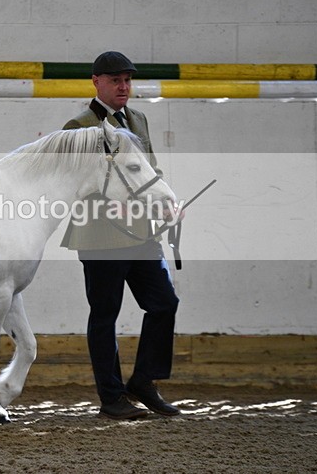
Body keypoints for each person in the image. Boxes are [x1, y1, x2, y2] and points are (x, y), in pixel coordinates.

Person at [61, 51, 181, 420]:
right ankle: (111, 398)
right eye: (115, 80)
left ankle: (144, 381)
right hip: (100, 237)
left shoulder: (139, 119)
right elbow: (72, 183)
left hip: (142, 234)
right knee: (105, 315)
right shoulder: (79, 127)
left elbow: (150, 170)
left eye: (127, 80)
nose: (124, 86)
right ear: (96, 82)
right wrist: (112, 205)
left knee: (164, 303)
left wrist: (165, 202)